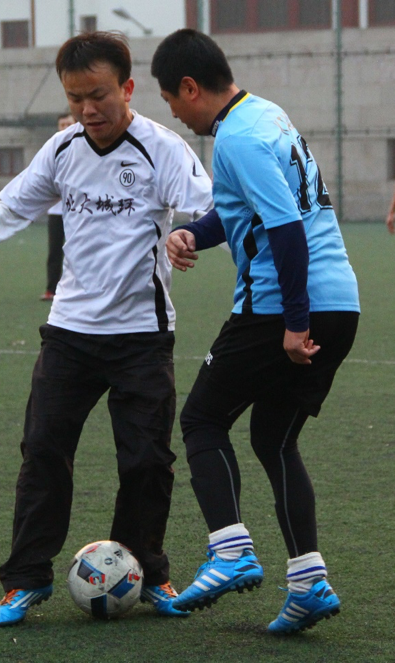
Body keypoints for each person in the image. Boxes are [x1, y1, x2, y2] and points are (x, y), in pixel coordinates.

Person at [0, 31, 213, 627]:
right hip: (69, 333)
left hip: (142, 335)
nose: (88, 109)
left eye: (98, 95)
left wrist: (190, 235)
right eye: (76, 98)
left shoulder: (162, 149)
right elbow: (14, 206)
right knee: (43, 451)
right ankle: (26, 579)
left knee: (146, 461)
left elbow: (209, 206)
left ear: (127, 89)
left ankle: (148, 571)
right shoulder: (61, 149)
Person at [151, 29, 360, 634]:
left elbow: (286, 228)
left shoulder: (237, 138)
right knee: (273, 438)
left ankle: (230, 550)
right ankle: (309, 583)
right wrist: (193, 231)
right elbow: (245, 210)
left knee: (201, 419)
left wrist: (294, 323)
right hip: (340, 302)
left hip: (280, 309)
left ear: (190, 87)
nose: (174, 113)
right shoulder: (265, 114)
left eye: (171, 100)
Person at [40, 112, 75, 301]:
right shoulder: (52, 151)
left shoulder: (84, 150)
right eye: (62, 125)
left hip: (78, 211)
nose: (65, 128)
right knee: (54, 251)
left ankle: (78, 289)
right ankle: (51, 289)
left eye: (68, 124)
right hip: (56, 212)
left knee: (78, 250)